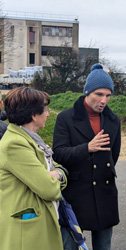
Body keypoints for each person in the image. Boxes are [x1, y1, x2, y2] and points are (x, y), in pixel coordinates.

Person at [53, 63, 121, 250]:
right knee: (70, 246)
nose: (104, 100)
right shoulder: (65, 118)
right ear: (86, 92)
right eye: (99, 94)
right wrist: (87, 148)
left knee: (104, 247)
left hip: (105, 193)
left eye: (108, 95)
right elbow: (58, 153)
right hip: (75, 195)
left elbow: (113, 155)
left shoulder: (114, 120)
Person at [0, 87, 67, 250]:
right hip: (26, 233)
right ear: (33, 114)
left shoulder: (30, 139)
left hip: (34, 227)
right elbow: (48, 189)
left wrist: (56, 173)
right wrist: (57, 175)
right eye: (45, 109)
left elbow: (57, 169)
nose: (48, 114)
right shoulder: (15, 144)